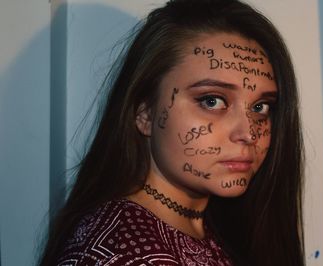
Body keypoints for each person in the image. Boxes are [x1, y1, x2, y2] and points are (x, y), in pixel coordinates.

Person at [39, 0, 304, 265]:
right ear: (144, 113)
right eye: (211, 101)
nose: (249, 133)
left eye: (261, 107)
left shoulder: (213, 225)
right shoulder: (125, 254)